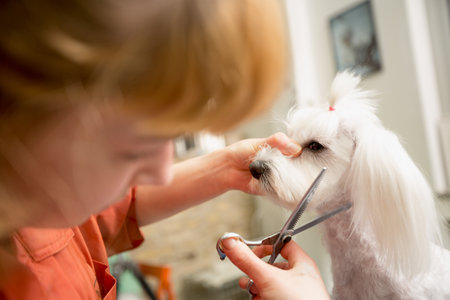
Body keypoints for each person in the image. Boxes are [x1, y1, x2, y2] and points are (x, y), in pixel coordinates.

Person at [0, 0, 329, 299]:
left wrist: (222, 167)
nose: (161, 173)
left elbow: (110, 211)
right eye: (132, 150)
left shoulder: (46, 194)